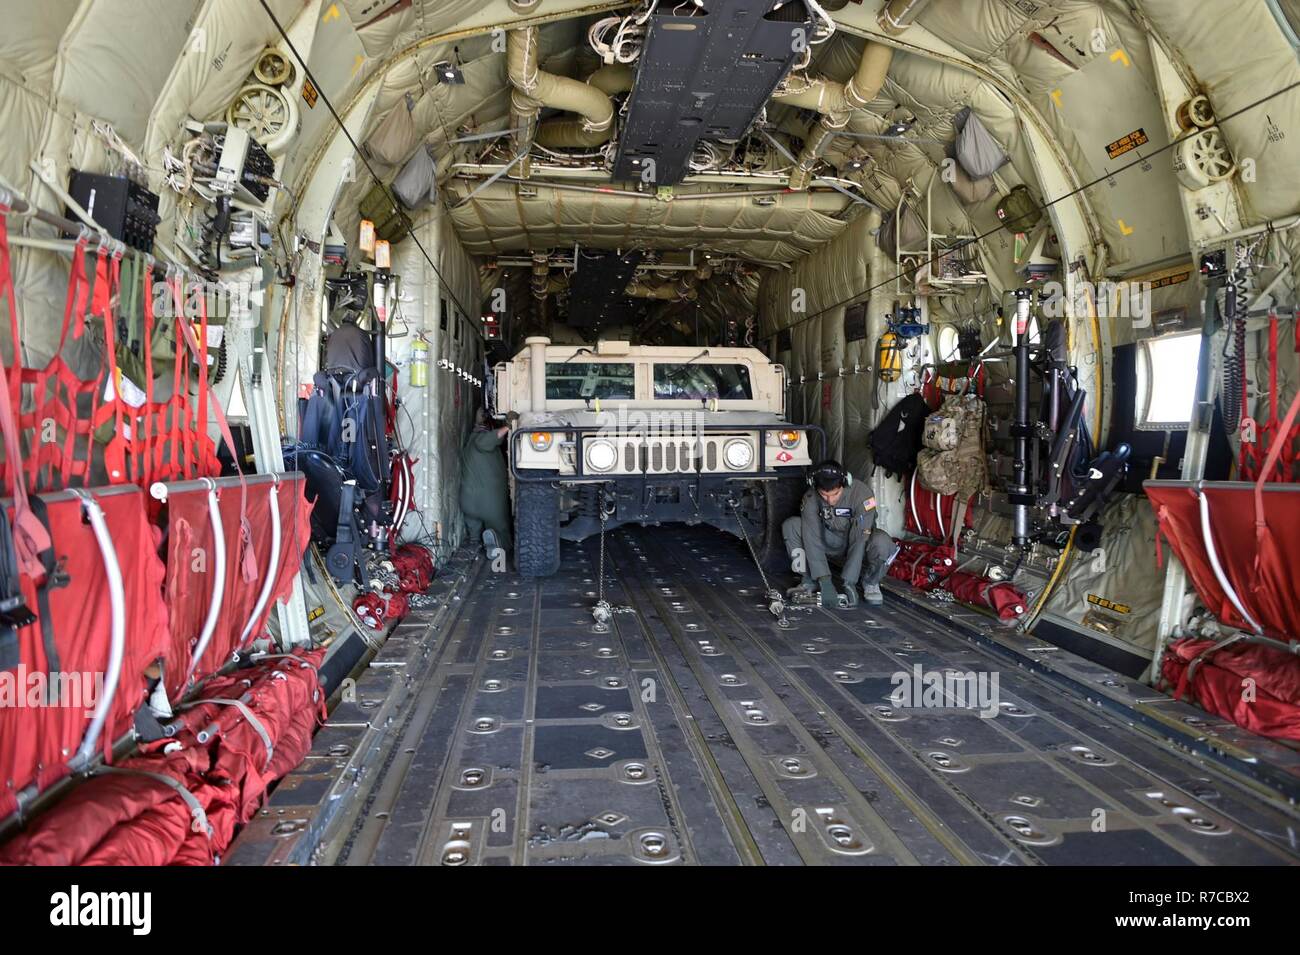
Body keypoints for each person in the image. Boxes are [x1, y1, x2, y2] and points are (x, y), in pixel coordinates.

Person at [783, 460, 898, 608]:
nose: (830, 500)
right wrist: (825, 580)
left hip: (860, 542)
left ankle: (870, 582)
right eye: (824, 495)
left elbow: (859, 538)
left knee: (884, 543)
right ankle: (809, 580)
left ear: (845, 483)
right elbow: (811, 537)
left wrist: (849, 582)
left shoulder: (862, 494)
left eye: (835, 494)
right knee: (791, 526)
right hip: (829, 540)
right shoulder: (810, 498)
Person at [460, 407, 513, 560]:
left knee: (474, 530)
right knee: (501, 528)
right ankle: (499, 545)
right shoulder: (480, 439)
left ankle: (476, 541)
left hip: (468, 502)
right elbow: (490, 439)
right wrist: (510, 426)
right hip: (488, 502)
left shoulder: (469, 441)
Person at [324, 311, 376, 376]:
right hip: (356, 376)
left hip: (334, 376)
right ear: (354, 322)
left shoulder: (332, 335)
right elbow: (370, 358)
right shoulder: (361, 333)